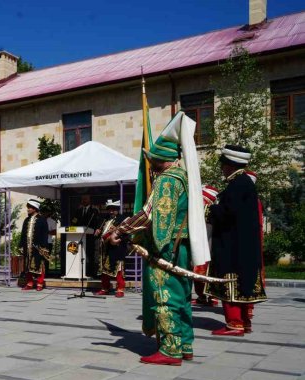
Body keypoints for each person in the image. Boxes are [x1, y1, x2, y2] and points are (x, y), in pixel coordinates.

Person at [107, 135, 195, 365]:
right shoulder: (185, 177)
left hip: (166, 247)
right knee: (183, 296)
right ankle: (185, 344)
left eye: (153, 160)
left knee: (165, 296)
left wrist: (120, 230)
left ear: (161, 160)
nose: (150, 165)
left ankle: (170, 350)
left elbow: (148, 214)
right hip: (182, 245)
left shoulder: (167, 180)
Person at [206, 145, 267, 336]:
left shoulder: (237, 184)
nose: (222, 168)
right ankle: (244, 321)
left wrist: (210, 209)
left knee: (231, 281)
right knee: (244, 282)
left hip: (233, 247)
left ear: (231, 165)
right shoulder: (244, 183)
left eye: (223, 165)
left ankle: (234, 323)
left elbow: (227, 213)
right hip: (243, 247)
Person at [192, 186, 219, 306]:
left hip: (206, 246)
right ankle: (205, 297)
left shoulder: (206, 209)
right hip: (209, 246)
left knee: (202, 272)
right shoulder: (212, 209)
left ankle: (209, 297)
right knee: (203, 272)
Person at [95, 200, 127, 297]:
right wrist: (97, 232)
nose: (111, 212)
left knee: (118, 269)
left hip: (117, 248)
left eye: (113, 210)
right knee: (104, 269)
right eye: (110, 210)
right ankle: (105, 288)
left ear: (117, 210)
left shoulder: (122, 219)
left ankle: (120, 290)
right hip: (105, 249)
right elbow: (101, 232)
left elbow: (125, 234)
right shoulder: (105, 219)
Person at [20, 198, 49, 291]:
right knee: (27, 265)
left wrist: (44, 247)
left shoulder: (42, 220)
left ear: (35, 208)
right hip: (27, 247)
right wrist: (21, 245)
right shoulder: (26, 220)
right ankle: (29, 283)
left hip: (38, 247)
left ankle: (40, 283)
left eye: (30, 208)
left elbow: (45, 234)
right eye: (28, 207)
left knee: (39, 264)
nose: (28, 209)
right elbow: (23, 233)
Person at [72, 194, 100, 277]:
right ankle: (80, 272)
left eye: (85, 199)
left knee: (91, 255)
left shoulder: (94, 210)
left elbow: (98, 222)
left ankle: (92, 273)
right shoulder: (78, 210)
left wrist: (97, 229)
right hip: (80, 236)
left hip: (91, 236)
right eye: (82, 199)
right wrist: (72, 226)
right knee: (80, 254)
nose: (84, 200)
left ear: (89, 200)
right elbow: (74, 220)